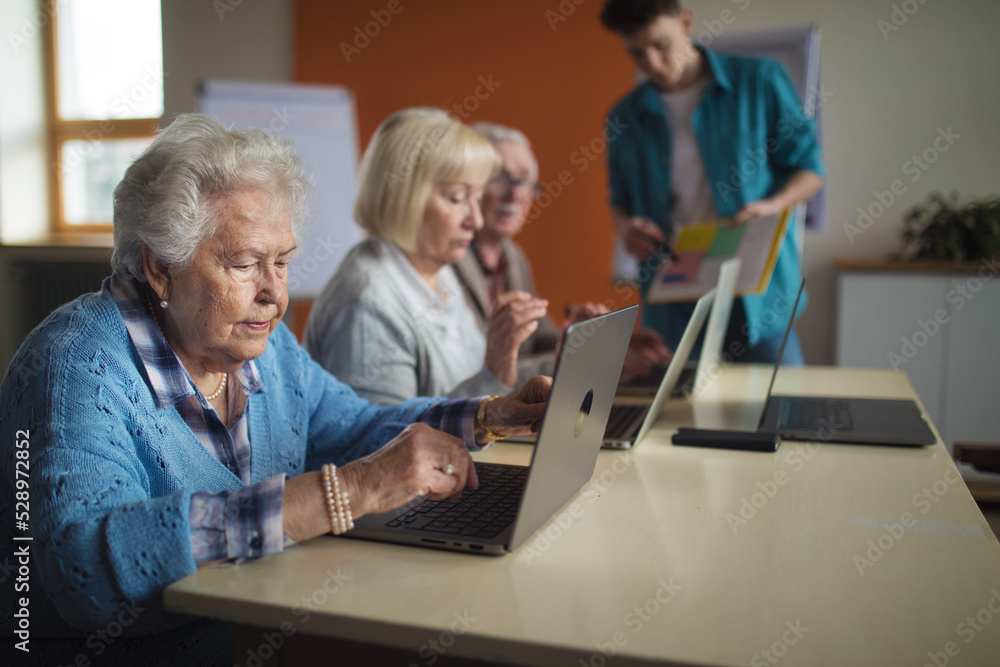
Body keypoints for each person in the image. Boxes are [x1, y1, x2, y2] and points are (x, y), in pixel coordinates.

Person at [0, 114, 548, 665]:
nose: (273, 294)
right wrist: (345, 492)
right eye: (244, 264)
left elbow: (349, 425)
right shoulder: (74, 364)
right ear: (162, 268)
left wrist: (488, 415)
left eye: (282, 262)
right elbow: (81, 566)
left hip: (255, 635)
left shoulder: (263, 342)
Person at [599, 0, 825, 364]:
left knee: (779, 412)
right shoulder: (624, 116)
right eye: (637, 54)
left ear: (686, 23)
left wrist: (770, 207)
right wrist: (627, 227)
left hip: (756, 290)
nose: (653, 64)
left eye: (661, 45)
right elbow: (619, 201)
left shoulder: (760, 80)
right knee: (681, 415)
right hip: (675, 293)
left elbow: (810, 170)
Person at [304, 109, 549, 404]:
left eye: (477, 198)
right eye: (457, 198)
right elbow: (382, 441)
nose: (476, 219)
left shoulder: (438, 273)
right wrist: (494, 372)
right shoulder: (368, 303)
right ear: (405, 198)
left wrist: (564, 361)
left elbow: (484, 385)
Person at [454, 121, 672, 383]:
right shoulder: (446, 260)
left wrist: (607, 343)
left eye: (524, 181)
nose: (514, 194)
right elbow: (477, 374)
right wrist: (587, 357)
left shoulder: (513, 257)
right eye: (499, 180)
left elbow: (542, 340)